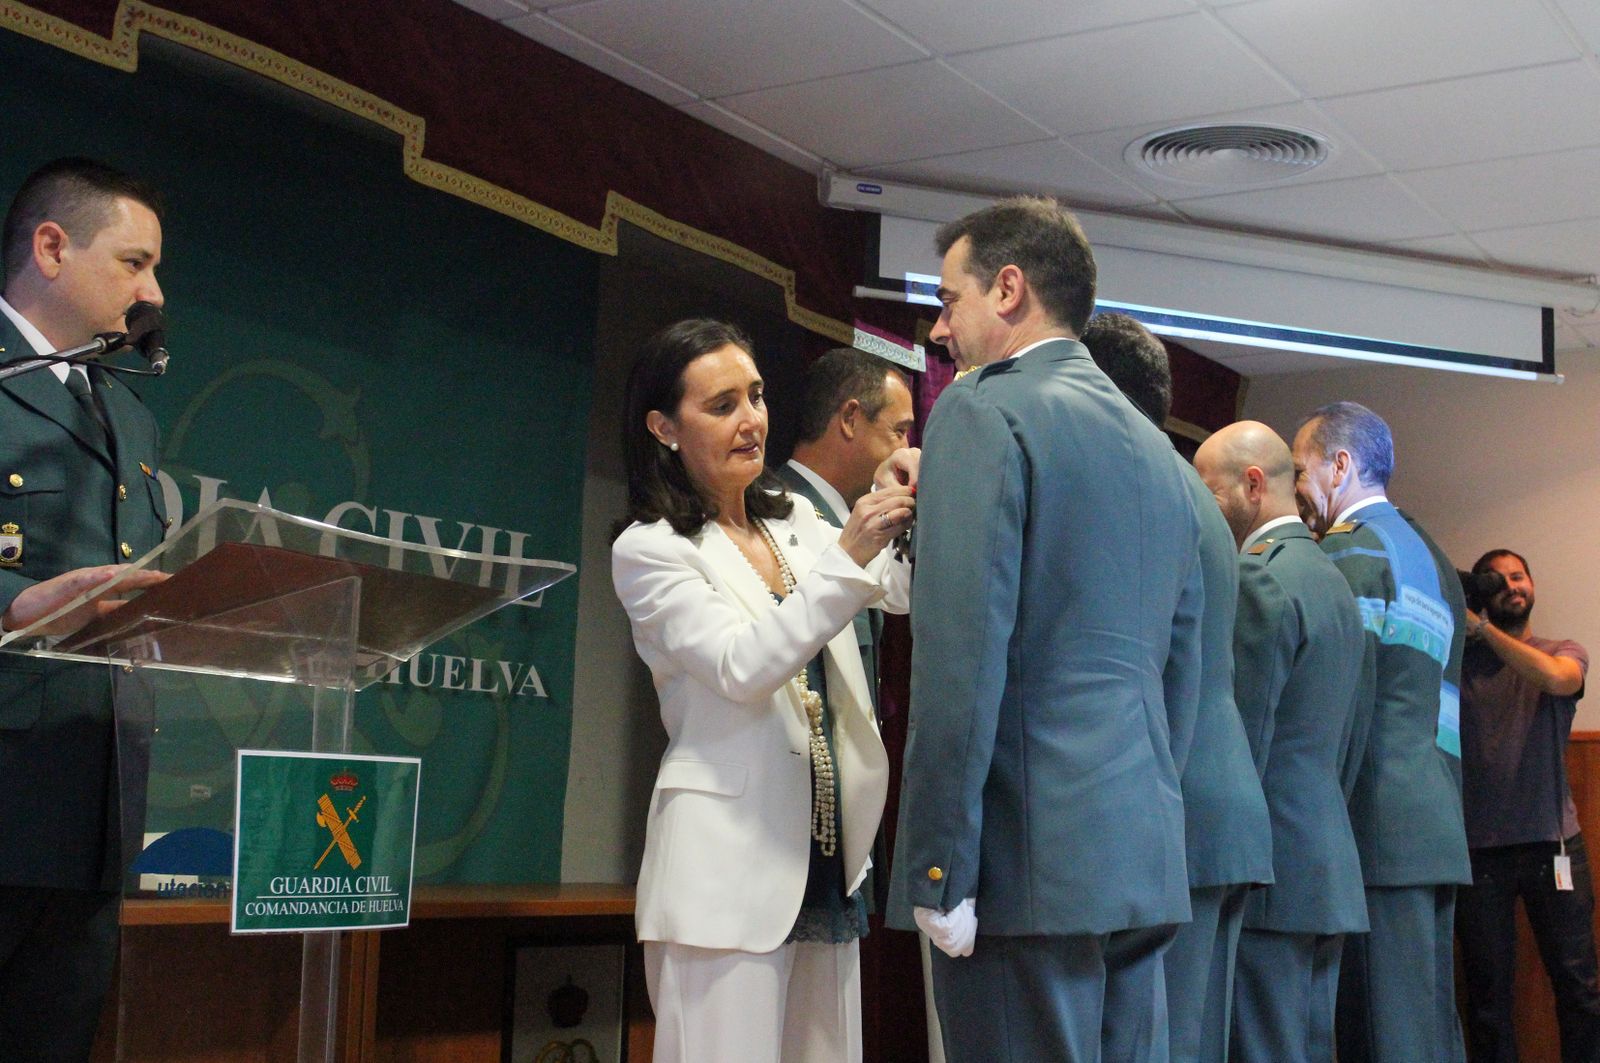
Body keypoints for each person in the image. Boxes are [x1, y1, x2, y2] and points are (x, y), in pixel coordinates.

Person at [888, 197, 1204, 1063]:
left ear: (1009, 289)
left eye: (950, 301)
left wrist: (939, 866)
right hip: (1138, 854)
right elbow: (1180, 673)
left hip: (1022, 862)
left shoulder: (981, 409)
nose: (942, 328)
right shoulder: (1161, 458)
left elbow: (960, 658)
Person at [610, 318, 916, 1062]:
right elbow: (742, 666)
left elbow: (896, 594)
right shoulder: (650, 549)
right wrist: (847, 557)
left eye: (756, 396)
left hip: (823, 857)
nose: (751, 420)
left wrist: (900, 503)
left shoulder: (798, 521)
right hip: (725, 868)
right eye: (721, 405)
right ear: (663, 427)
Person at [0, 157, 172, 1062]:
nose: (151, 292)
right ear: (52, 246)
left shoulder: (127, 416)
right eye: (135, 262)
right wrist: (13, 602)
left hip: (94, 810)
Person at [1082, 314, 1271, 1063]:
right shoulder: (1186, 488)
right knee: (1192, 1037)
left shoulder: (1140, 485)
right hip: (1220, 796)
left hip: (1180, 798)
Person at [1291, 401, 1471, 1062]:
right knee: (1426, 1029)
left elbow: (1336, 702)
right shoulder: (1436, 558)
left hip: (1372, 830)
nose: (1296, 490)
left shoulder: (1350, 550)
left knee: (1380, 1036)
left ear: (1339, 466)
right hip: (1435, 825)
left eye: (1300, 469)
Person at [1193, 420, 1368, 1063]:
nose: (1205, 513)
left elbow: (1245, 744)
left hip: (1268, 877)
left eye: (1210, 495)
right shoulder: (1333, 581)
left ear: (1254, 485)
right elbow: (1352, 739)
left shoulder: (1256, 579)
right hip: (1326, 867)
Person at [1455, 548, 1600, 1062]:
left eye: (1520, 576)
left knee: (1579, 986)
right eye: (1500, 580)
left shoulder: (1562, 650)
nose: (1513, 585)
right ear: (1483, 593)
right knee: (1488, 998)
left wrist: (1484, 631)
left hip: (1554, 846)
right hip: (1478, 853)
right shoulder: (1460, 667)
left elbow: (1559, 679)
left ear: (1532, 586)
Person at [778, 346, 915, 719]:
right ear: (851, 418)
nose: (906, 448)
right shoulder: (774, 508)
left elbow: (899, 596)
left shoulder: (854, 516)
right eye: (899, 431)